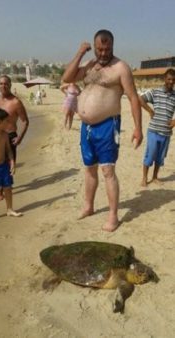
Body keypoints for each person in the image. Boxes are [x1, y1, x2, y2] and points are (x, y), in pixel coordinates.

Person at [61, 29, 143, 232]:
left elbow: (133, 98)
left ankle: (113, 216)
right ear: (94, 47)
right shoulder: (89, 65)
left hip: (108, 126)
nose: (103, 53)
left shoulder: (121, 68)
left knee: (108, 171)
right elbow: (67, 77)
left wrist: (138, 128)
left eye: (107, 49)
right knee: (89, 169)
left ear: (113, 46)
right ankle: (88, 206)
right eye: (99, 49)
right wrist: (80, 53)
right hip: (86, 128)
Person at [0, 75, 28, 199]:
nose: (3, 86)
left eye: (6, 84)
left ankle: (1, 190)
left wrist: (20, 138)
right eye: (1, 83)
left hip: (10, 136)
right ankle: (3, 185)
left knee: (8, 164)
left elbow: (25, 121)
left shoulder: (16, 102)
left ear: (10, 85)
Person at [139, 69, 175, 187]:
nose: (171, 81)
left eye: (173, 80)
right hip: (154, 131)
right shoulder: (156, 92)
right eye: (169, 79)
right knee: (150, 155)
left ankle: (155, 177)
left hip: (166, 133)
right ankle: (144, 178)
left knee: (160, 158)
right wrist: (150, 110)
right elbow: (141, 99)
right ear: (164, 79)